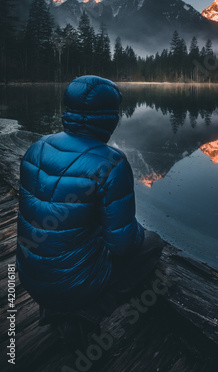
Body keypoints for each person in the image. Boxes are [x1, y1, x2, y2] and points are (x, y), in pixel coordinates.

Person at [16, 75, 163, 318]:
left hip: (29, 277)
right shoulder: (110, 163)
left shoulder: (37, 147)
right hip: (75, 288)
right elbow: (123, 245)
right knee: (152, 243)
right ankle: (89, 312)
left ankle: (53, 306)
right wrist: (137, 231)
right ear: (109, 115)